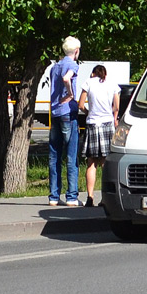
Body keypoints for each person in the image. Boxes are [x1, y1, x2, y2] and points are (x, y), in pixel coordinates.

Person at [78, 64, 120, 207]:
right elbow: (117, 106)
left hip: (92, 124)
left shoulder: (89, 83)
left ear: (93, 74)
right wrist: (112, 114)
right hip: (107, 124)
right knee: (105, 163)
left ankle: (90, 197)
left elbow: (81, 104)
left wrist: (88, 112)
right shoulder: (112, 84)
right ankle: (105, 199)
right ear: (105, 74)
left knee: (91, 163)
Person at [48, 36, 81, 207]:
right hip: (68, 113)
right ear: (76, 51)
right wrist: (70, 94)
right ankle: (71, 196)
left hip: (55, 113)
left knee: (54, 155)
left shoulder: (55, 66)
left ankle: (54, 196)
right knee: (71, 155)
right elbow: (67, 78)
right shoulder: (72, 64)